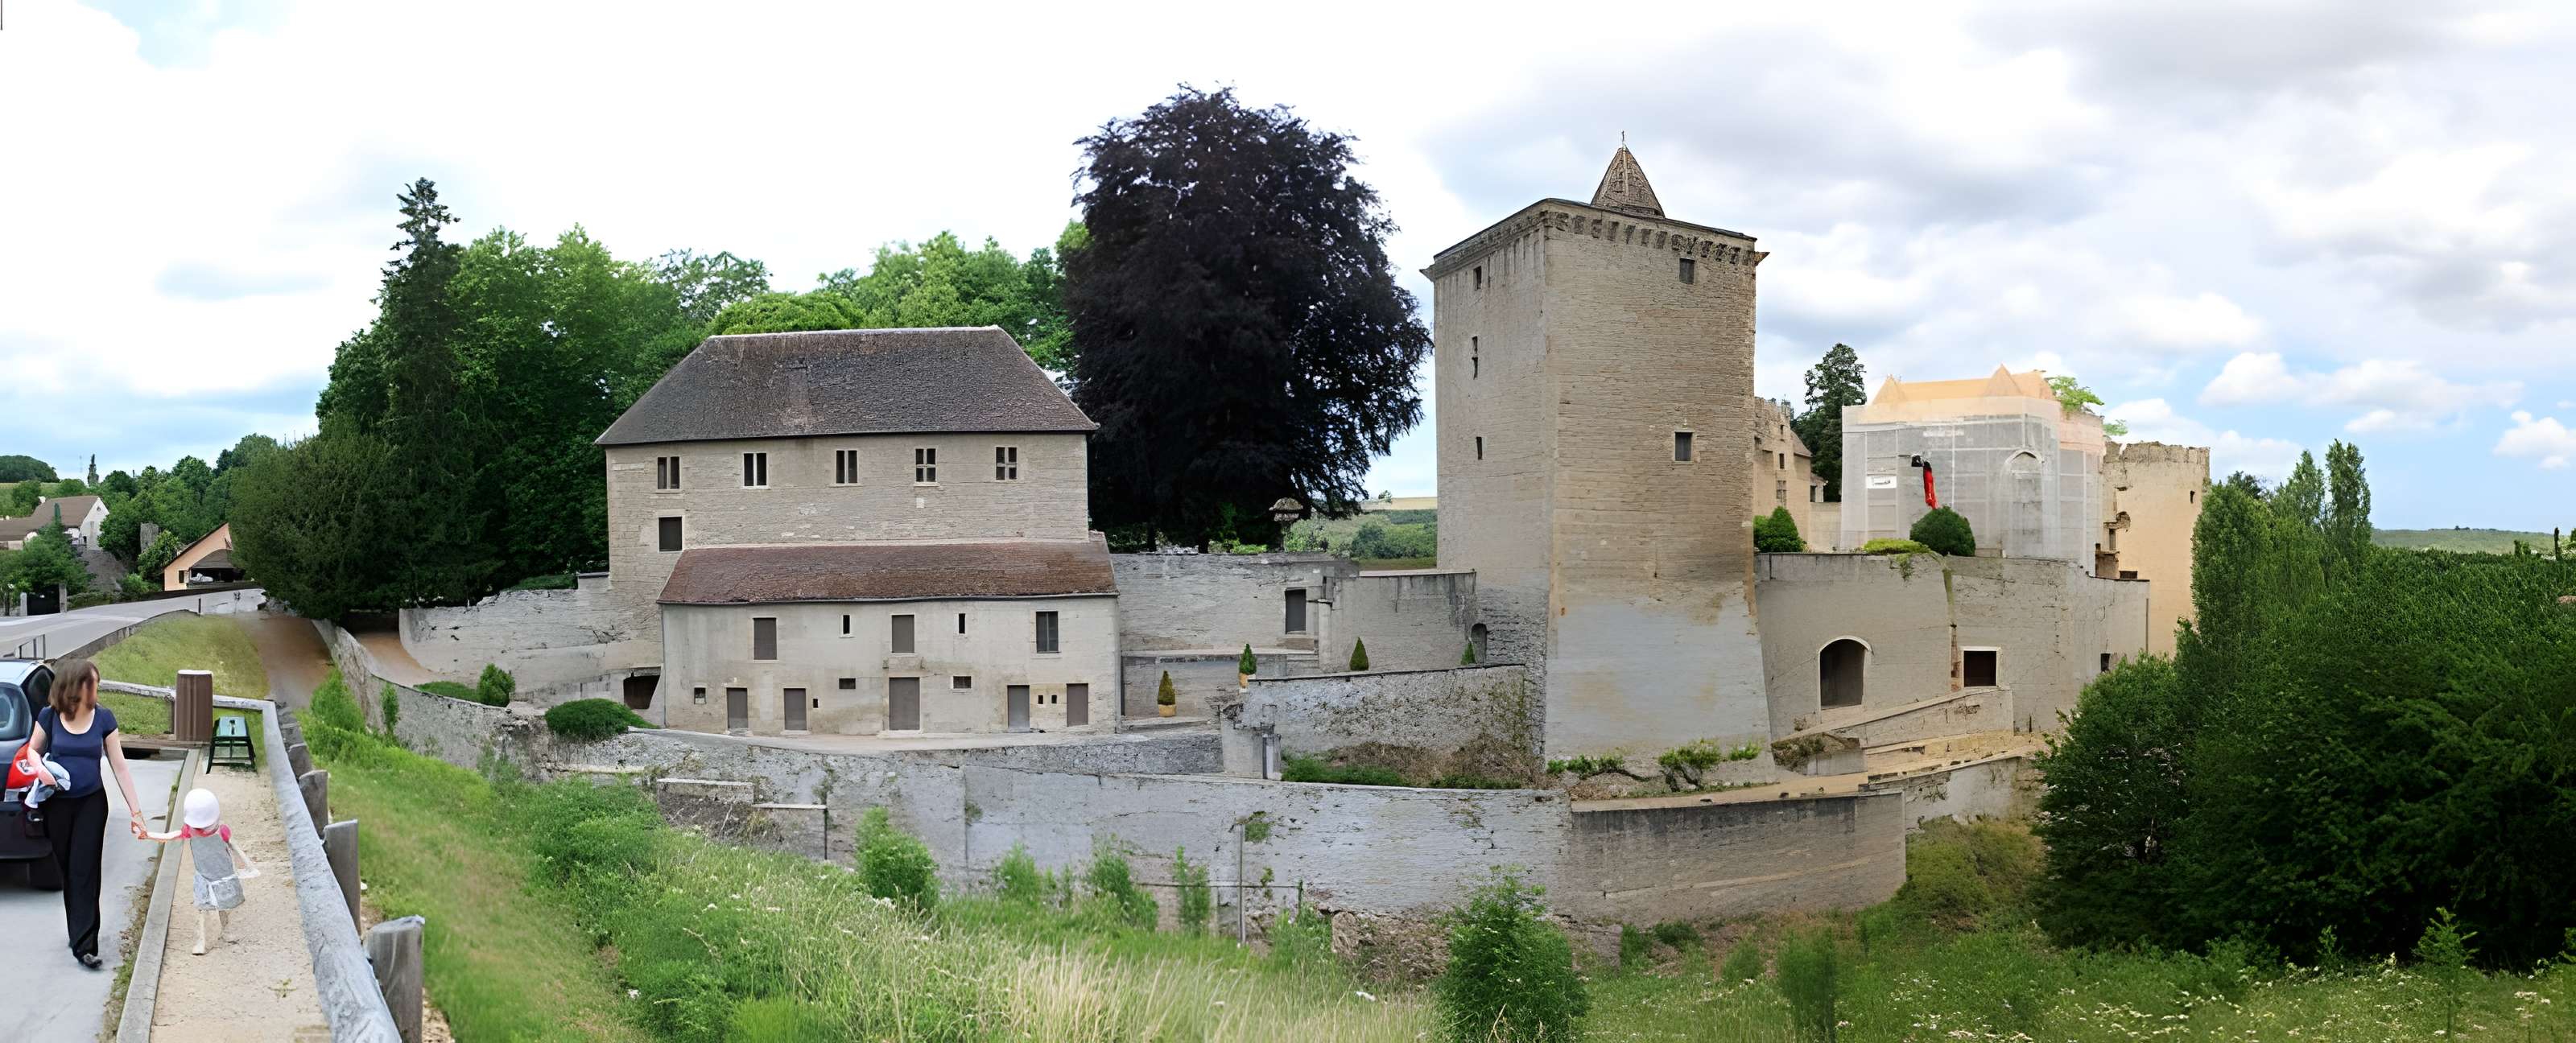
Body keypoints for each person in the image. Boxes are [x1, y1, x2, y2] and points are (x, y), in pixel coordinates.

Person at [23, 658, 150, 969]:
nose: (97, 688)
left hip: (92, 803)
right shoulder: (50, 716)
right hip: (58, 804)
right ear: (73, 685)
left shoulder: (104, 718)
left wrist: (136, 811)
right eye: (92, 683)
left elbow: (119, 765)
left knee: (85, 869)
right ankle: (77, 928)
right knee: (68, 868)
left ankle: (86, 946)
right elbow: (31, 750)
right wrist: (40, 770)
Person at [138, 787, 261, 955]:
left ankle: (226, 930)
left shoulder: (220, 831)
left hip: (222, 874)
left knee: (223, 905)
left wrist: (248, 866)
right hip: (204, 876)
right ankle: (202, 940)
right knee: (203, 909)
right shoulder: (191, 830)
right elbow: (172, 836)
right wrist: (150, 835)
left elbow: (234, 846)